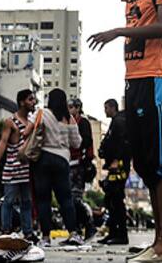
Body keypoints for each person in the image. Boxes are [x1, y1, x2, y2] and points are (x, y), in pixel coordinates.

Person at [49, 0, 162, 262]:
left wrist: (119, 30)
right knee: (146, 164)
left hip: (156, 81)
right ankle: (158, 243)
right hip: (134, 83)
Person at [23, 88, 82, 247]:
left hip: (42, 159)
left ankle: (45, 238)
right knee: (66, 198)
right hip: (62, 160)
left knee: (43, 200)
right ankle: (73, 233)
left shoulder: (41, 113)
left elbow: (26, 132)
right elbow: (77, 143)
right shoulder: (69, 119)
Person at [0, 89, 36, 239]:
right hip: (12, 169)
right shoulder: (11, 121)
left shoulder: (32, 123)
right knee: (8, 201)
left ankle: (28, 232)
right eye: (30, 99)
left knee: (26, 202)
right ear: (22, 102)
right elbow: (3, 142)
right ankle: (6, 232)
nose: (33, 102)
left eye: (34, 99)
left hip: (27, 170)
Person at [97, 98, 130, 245]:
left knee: (116, 199)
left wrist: (116, 159)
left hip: (119, 166)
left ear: (112, 107)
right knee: (110, 199)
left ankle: (121, 234)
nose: (105, 111)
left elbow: (122, 143)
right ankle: (112, 233)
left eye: (106, 108)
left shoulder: (120, 122)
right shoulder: (115, 122)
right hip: (113, 165)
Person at [68, 97, 96, 239]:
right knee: (70, 199)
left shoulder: (82, 122)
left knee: (76, 198)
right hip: (69, 162)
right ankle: (77, 229)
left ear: (78, 108)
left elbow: (86, 141)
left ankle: (89, 224)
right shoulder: (70, 122)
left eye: (71, 107)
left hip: (79, 164)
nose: (69, 110)